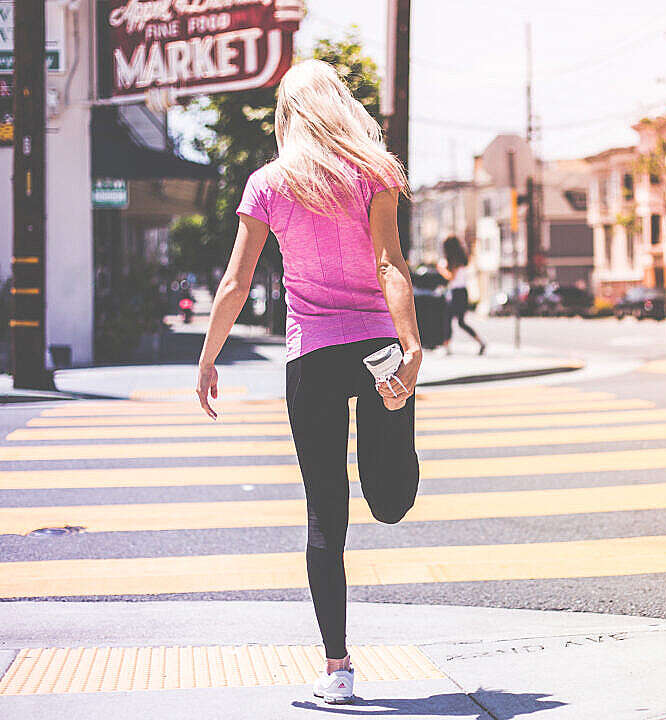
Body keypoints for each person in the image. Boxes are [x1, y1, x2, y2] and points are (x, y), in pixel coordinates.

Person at [194, 59, 421, 706]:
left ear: (287, 115)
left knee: (327, 515)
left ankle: (338, 669)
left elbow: (235, 283)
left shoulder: (268, 183)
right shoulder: (374, 169)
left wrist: (209, 357)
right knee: (391, 502)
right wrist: (410, 350)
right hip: (377, 349)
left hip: (313, 356)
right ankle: (397, 442)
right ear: (340, 105)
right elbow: (389, 263)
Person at [437, 235, 486, 355]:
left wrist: (441, 270)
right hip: (462, 292)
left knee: (448, 319)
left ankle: (447, 346)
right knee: (460, 322)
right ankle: (480, 342)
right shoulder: (462, 259)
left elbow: (451, 277)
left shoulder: (454, 261)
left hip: (457, 293)